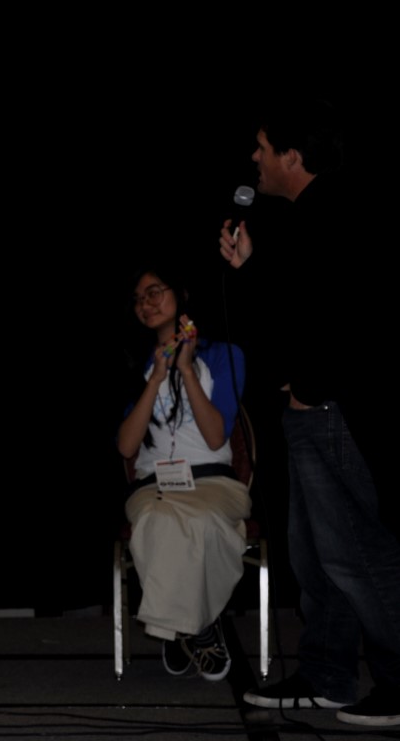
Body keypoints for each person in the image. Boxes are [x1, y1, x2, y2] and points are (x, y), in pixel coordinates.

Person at [220, 99, 399, 727]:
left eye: (263, 147)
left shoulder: (337, 213)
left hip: (331, 412)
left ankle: (397, 682)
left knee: (355, 552)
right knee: (316, 555)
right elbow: (291, 312)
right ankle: (327, 674)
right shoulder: (308, 218)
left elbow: (348, 316)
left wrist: (311, 388)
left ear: (292, 156)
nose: (254, 158)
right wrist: (249, 269)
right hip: (310, 411)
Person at [117, 265, 249, 681]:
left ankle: (177, 627)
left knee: (203, 520)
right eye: (139, 299)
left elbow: (215, 436)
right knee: (156, 518)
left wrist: (187, 370)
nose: (146, 303)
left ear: (182, 295)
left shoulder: (224, 354)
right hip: (153, 483)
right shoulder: (136, 365)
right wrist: (156, 377)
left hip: (212, 480)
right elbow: (126, 447)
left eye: (154, 291)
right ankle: (201, 627)